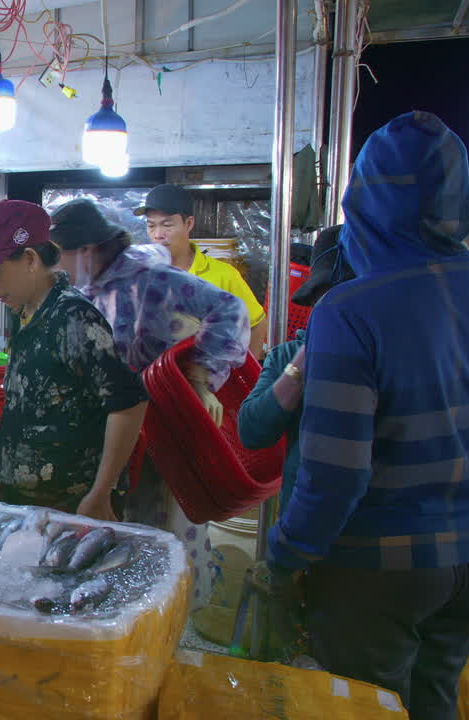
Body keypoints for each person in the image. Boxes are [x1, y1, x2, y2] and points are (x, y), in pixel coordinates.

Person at [267, 111, 469, 719]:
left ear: (363, 204)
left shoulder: (349, 307)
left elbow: (338, 473)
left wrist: (284, 557)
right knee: (434, 703)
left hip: (377, 570)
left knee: (369, 708)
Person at [51, 197, 251, 605]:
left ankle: (174, 615)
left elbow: (229, 310)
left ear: (86, 250)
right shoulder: (93, 288)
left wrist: (203, 376)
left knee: (168, 529)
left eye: (61, 256)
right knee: (127, 527)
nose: (59, 267)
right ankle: (134, 609)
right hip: (123, 428)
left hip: (166, 421)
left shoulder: (152, 278)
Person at [0, 200, 147, 521]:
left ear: (30, 260)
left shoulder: (73, 318)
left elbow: (129, 403)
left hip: (72, 503)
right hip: (25, 498)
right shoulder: (23, 310)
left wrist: (100, 492)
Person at [238, 224, 352, 512]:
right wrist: (301, 363)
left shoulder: (388, 356)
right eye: (324, 297)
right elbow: (252, 433)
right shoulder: (287, 355)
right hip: (303, 516)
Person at [135, 184, 267, 358]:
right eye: (151, 226)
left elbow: (256, 324)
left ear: (189, 224)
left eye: (167, 225)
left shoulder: (223, 275)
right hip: (154, 377)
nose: (158, 234)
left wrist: (247, 377)